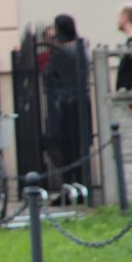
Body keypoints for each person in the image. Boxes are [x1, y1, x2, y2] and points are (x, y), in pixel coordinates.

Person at [42, 14, 90, 189]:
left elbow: (47, 74)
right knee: (79, 145)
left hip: (66, 104)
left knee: (64, 146)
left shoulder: (61, 52)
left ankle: (70, 183)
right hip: (82, 101)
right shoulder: (81, 47)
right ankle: (82, 182)